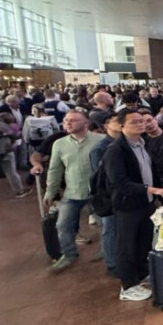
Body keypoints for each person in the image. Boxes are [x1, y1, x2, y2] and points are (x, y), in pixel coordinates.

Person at [103, 109, 163, 302]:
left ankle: (142, 274)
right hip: (128, 204)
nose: (140, 124)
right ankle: (127, 285)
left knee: (144, 240)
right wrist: (151, 189)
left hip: (146, 202)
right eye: (134, 122)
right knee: (126, 245)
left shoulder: (144, 144)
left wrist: (161, 188)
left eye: (142, 121)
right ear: (121, 125)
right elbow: (119, 182)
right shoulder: (116, 150)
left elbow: (152, 170)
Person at [42, 109, 104, 271]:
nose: (68, 123)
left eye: (73, 120)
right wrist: (50, 191)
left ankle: (106, 249)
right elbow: (55, 169)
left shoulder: (101, 140)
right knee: (63, 225)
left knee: (104, 223)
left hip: (97, 191)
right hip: (73, 191)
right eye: (66, 120)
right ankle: (69, 254)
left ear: (85, 123)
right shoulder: (60, 144)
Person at [89, 112, 122, 277]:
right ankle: (112, 263)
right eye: (116, 121)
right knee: (110, 229)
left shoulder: (125, 143)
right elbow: (100, 177)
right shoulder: (100, 148)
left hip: (123, 194)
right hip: (109, 196)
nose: (120, 124)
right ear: (106, 126)